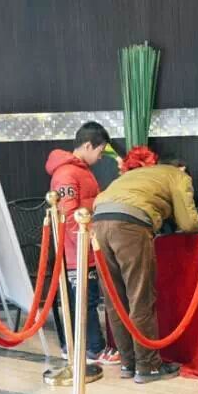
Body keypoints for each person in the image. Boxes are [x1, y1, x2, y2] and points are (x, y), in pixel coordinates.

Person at [92, 161, 198, 383]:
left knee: (115, 300)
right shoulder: (178, 176)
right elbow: (189, 223)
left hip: (99, 222)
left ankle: (128, 363)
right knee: (140, 297)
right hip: (130, 224)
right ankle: (148, 366)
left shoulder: (137, 174)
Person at [45, 121, 120, 365]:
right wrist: (86, 244)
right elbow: (70, 216)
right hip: (76, 251)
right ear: (88, 145)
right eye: (100, 151)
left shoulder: (79, 170)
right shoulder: (67, 174)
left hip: (82, 248)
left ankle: (78, 346)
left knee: (85, 300)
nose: (100, 157)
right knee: (85, 301)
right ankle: (93, 349)